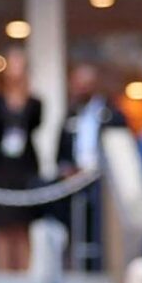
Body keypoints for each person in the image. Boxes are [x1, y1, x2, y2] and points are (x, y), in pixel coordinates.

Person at [55, 63, 127, 271]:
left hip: (103, 183)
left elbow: (121, 147)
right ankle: (70, 263)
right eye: (77, 85)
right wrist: (67, 170)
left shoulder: (110, 113)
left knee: (100, 223)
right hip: (74, 182)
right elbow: (59, 153)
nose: (80, 89)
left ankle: (100, 267)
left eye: (85, 84)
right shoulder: (70, 114)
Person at [0, 46, 42, 272]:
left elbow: (34, 123)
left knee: (23, 226)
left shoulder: (34, 102)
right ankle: (3, 274)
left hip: (23, 171)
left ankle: (25, 274)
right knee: (2, 227)